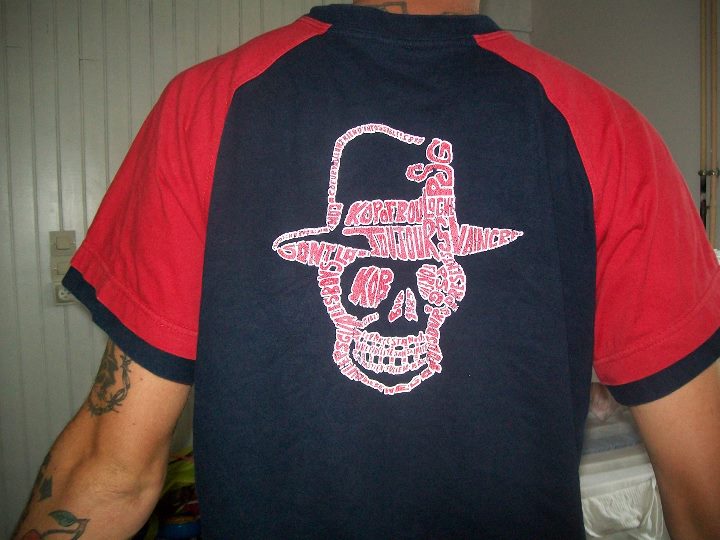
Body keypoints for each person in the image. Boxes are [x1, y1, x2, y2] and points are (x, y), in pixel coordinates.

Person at [13, 1, 720, 538]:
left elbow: (112, 467)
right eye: (371, 278)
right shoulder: (608, 132)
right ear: (326, 272)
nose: (404, 313)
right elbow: (702, 488)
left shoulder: (208, 108)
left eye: (431, 277)